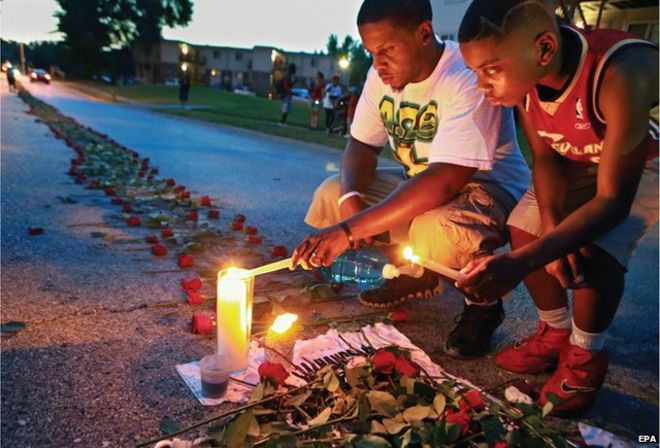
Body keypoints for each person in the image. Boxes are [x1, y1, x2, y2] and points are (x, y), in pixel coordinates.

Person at [292, 0, 530, 359]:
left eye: (387, 50)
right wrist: (351, 200)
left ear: (423, 33)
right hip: (420, 181)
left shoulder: (465, 75)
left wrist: (350, 229)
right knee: (332, 193)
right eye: (371, 52)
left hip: (486, 188)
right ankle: (413, 269)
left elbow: (447, 180)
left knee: (433, 228)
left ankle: (483, 305)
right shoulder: (380, 77)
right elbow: (360, 145)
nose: (378, 64)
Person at [456, 0, 658, 413]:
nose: (481, 85)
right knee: (527, 227)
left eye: (490, 69)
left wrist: (519, 263)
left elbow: (614, 202)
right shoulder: (528, 78)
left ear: (544, 49)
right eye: (475, 71)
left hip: (645, 158)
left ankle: (586, 356)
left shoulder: (620, 70)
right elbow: (547, 157)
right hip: (580, 156)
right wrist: (548, 232)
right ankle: (554, 332)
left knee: (593, 245)